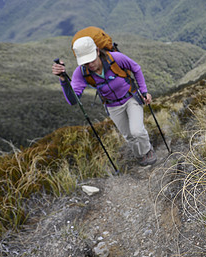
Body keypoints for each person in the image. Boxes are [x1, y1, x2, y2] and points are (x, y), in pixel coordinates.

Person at [52, 36, 157, 166]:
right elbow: (73, 100)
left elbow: (136, 68)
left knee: (137, 131)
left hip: (130, 97)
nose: (89, 65)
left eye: (91, 60)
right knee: (129, 136)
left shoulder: (115, 58)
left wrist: (144, 91)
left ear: (97, 51)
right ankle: (140, 155)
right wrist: (63, 80)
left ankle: (147, 150)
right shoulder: (81, 73)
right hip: (113, 106)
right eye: (85, 63)